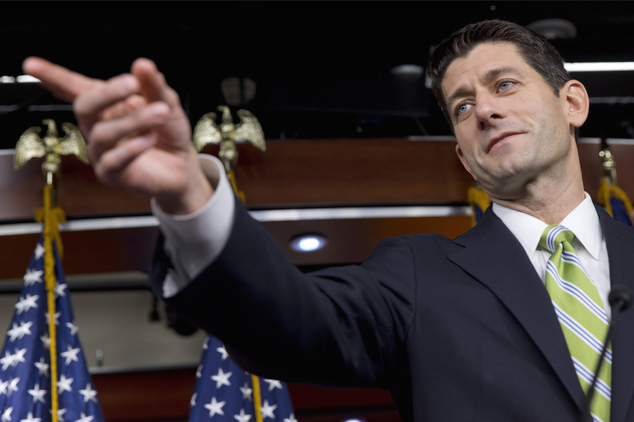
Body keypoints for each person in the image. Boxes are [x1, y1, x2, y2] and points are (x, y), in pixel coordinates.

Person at [23, 19, 634, 422]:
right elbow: (291, 320)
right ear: (461, 155)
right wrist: (189, 193)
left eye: (505, 85)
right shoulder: (418, 276)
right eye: (463, 106)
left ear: (573, 102)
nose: (487, 112)